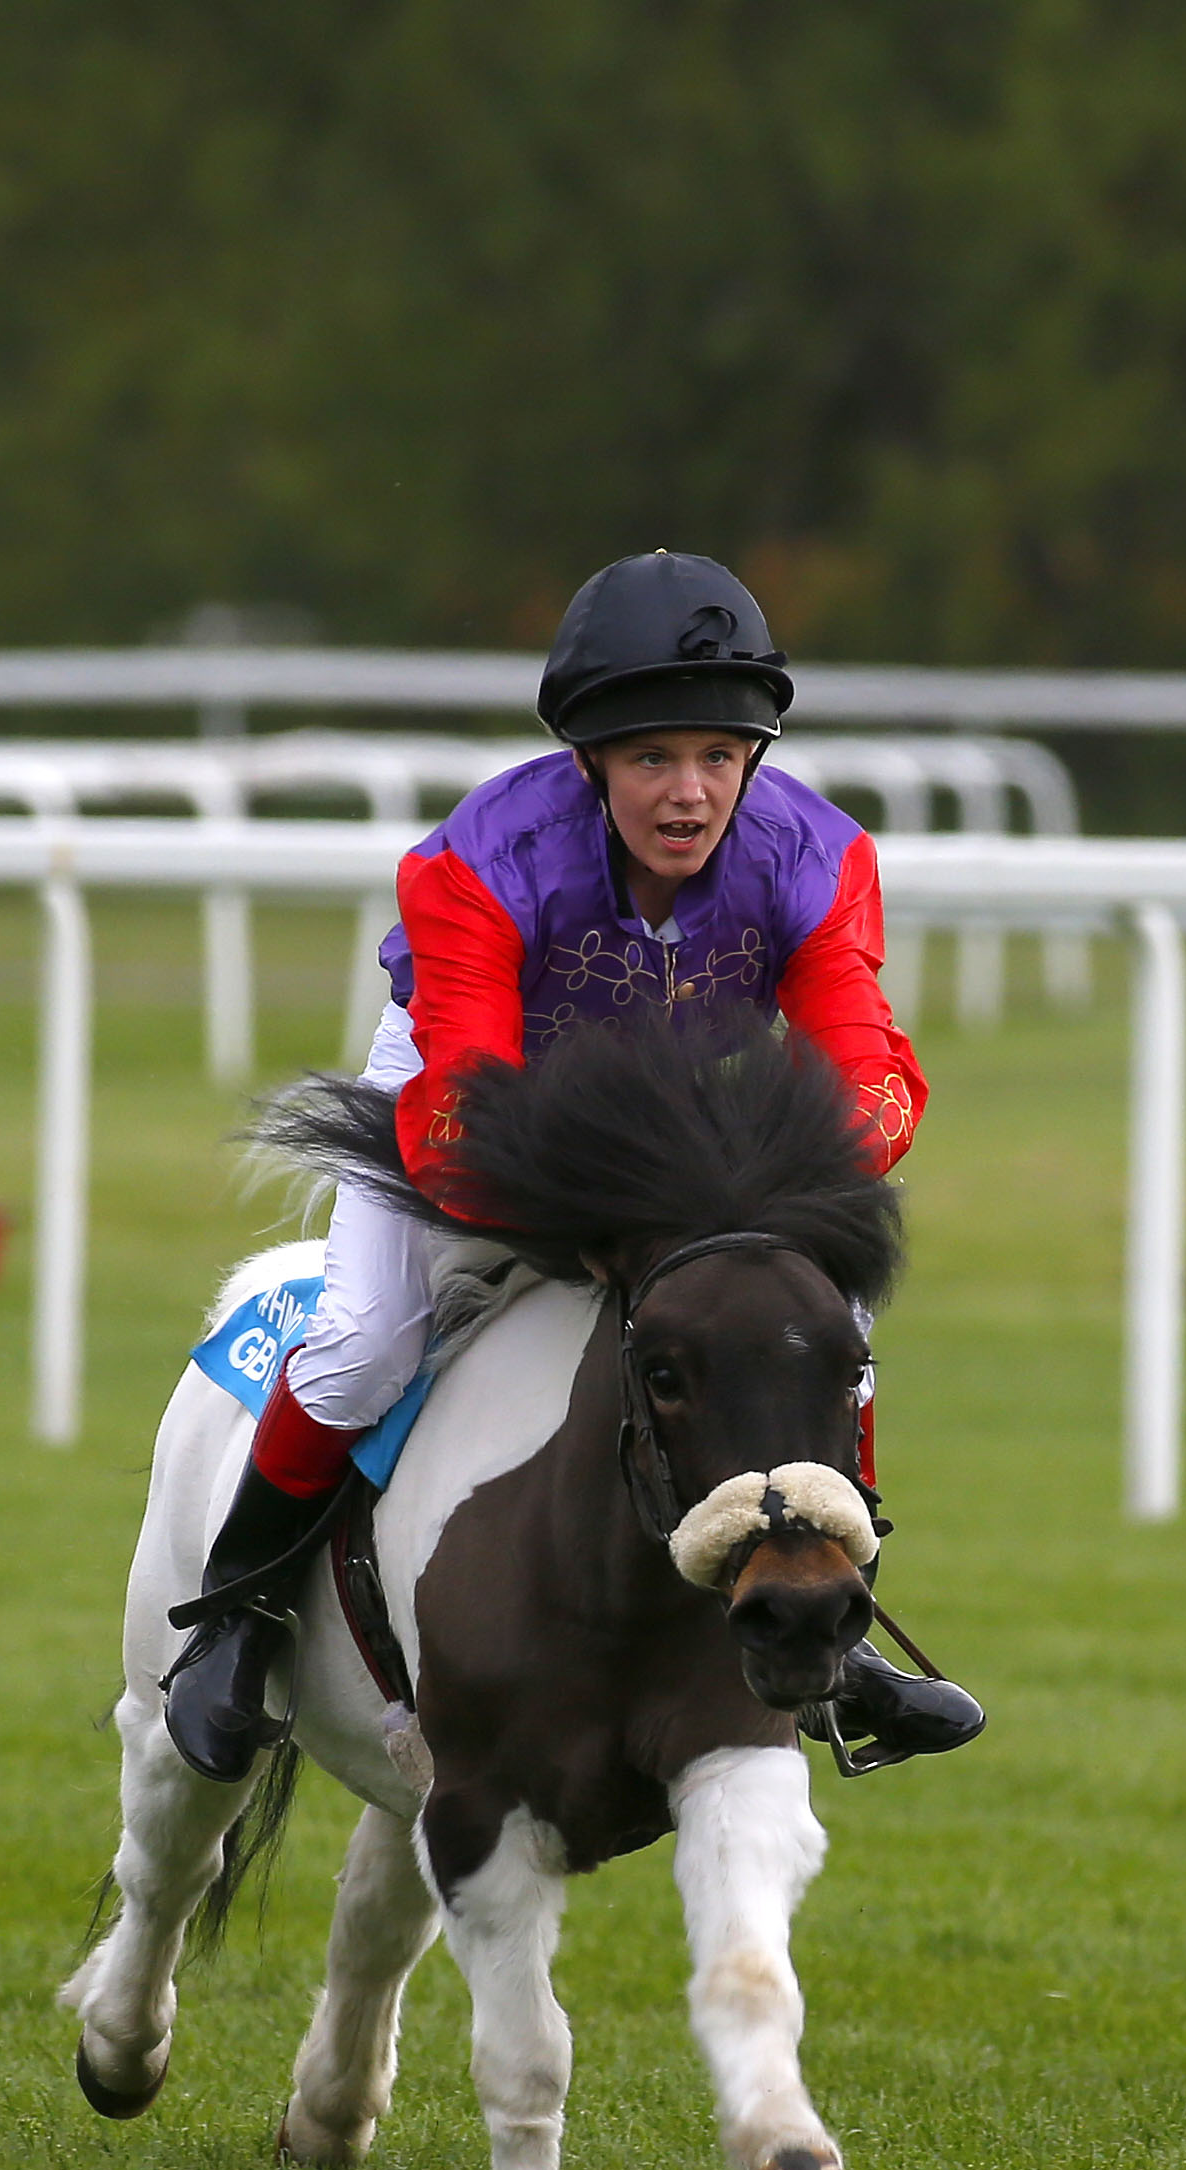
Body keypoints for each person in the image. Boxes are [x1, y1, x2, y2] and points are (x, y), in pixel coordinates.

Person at [158, 551, 982, 1782]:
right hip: (467, 1090)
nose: (691, 793)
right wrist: (611, 1207)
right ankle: (235, 1612)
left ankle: (831, 1625)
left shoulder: (821, 859)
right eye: (653, 758)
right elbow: (460, 1121)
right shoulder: (479, 860)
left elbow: (866, 1074)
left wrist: (771, 1189)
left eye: (719, 755)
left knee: (818, 1317)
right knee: (368, 1335)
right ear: (591, 760)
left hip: (676, 1124)